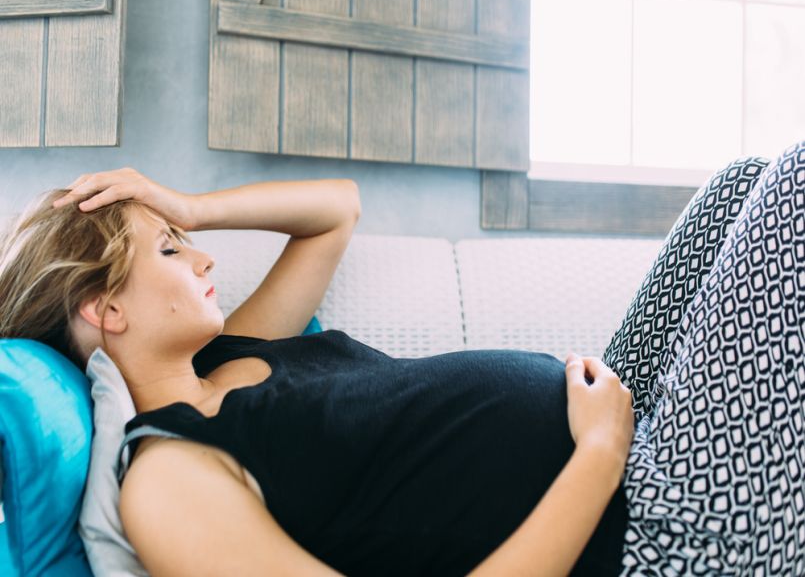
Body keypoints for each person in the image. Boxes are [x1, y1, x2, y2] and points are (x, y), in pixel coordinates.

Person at [0, 137, 802, 575]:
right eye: (173, 252)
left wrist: (187, 208)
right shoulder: (166, 482)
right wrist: (598, 452)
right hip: (650, 533)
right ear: (105, 309)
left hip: (631, 440)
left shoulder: (239, 353)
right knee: (793, 184)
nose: (205, 259)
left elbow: (335, 212)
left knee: (738, 184)